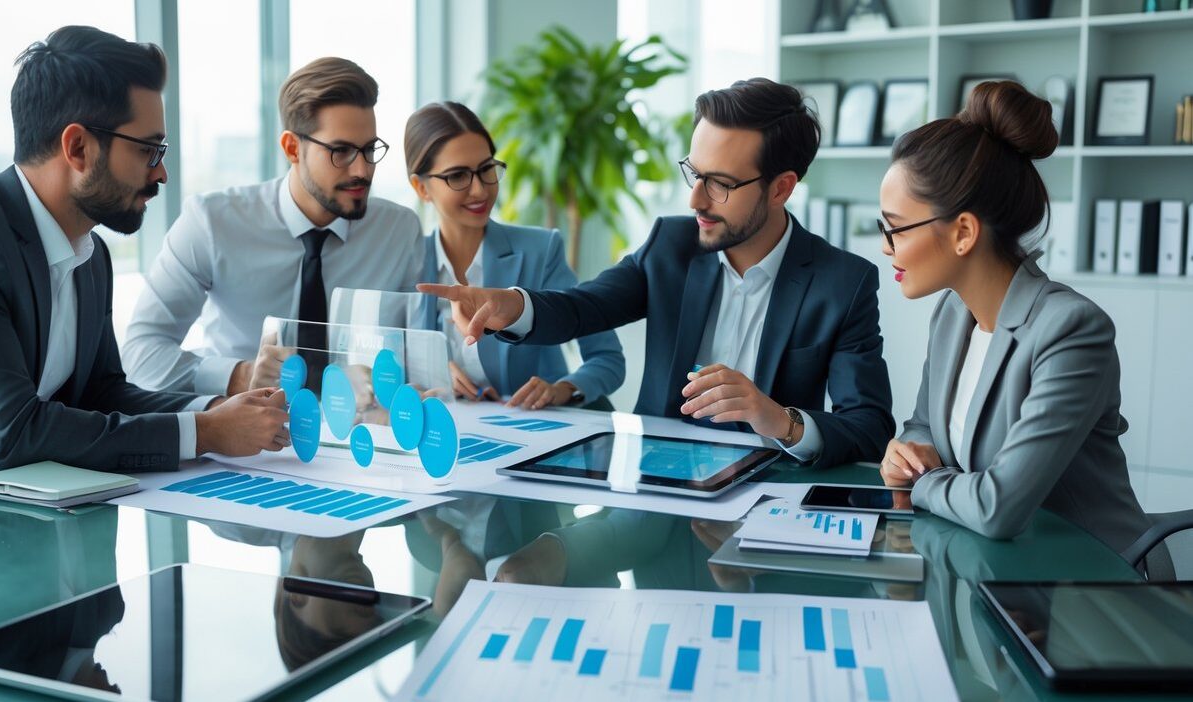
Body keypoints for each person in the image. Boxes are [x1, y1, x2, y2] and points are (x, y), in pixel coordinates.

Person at [427, 78, 895, 586]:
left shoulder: (841, 282)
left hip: (767, 511)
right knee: (519, 575)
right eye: (694, 172)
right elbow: (587, 305)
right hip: (651, 500)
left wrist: (778, 418)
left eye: (720, 183)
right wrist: (511, 304)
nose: (695, 198)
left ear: (781, 186)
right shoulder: (673, 245)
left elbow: (869, 425)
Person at [877, 80, 1171, 577]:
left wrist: (920, 484)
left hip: (1091, 591)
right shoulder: (952, 314)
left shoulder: (1072, 331)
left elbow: (999, 506)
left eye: (895, 228)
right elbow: (923, 425)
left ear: (964, 232)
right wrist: (906, 453)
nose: (885, 247)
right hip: (997, 571)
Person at [0, 26, 287, 474]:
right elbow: (9, 431)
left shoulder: (91, 255)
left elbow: (103, 395)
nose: (161, 173)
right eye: (149, 150)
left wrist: (222, 408)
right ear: (78, 147)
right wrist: (207, 431)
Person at [122, 57, 424, 397]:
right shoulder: (212, 223)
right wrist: (239, 375)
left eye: (369, 150)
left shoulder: (399, 232)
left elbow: (418, 350)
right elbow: (140, 355)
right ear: (292, 148)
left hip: (364, 430)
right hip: (245, 433)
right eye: (341, 151)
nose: (362, 171)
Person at [405, 101, 624, 408]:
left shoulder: (540, 251)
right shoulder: (408, 261)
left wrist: (561, 389)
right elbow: (382, 356)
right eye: (457, 176)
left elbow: (608, 357)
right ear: (421, 188)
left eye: (486, 169)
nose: (480, 190)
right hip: (444, 443)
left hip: (536, 438)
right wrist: (430, 372)